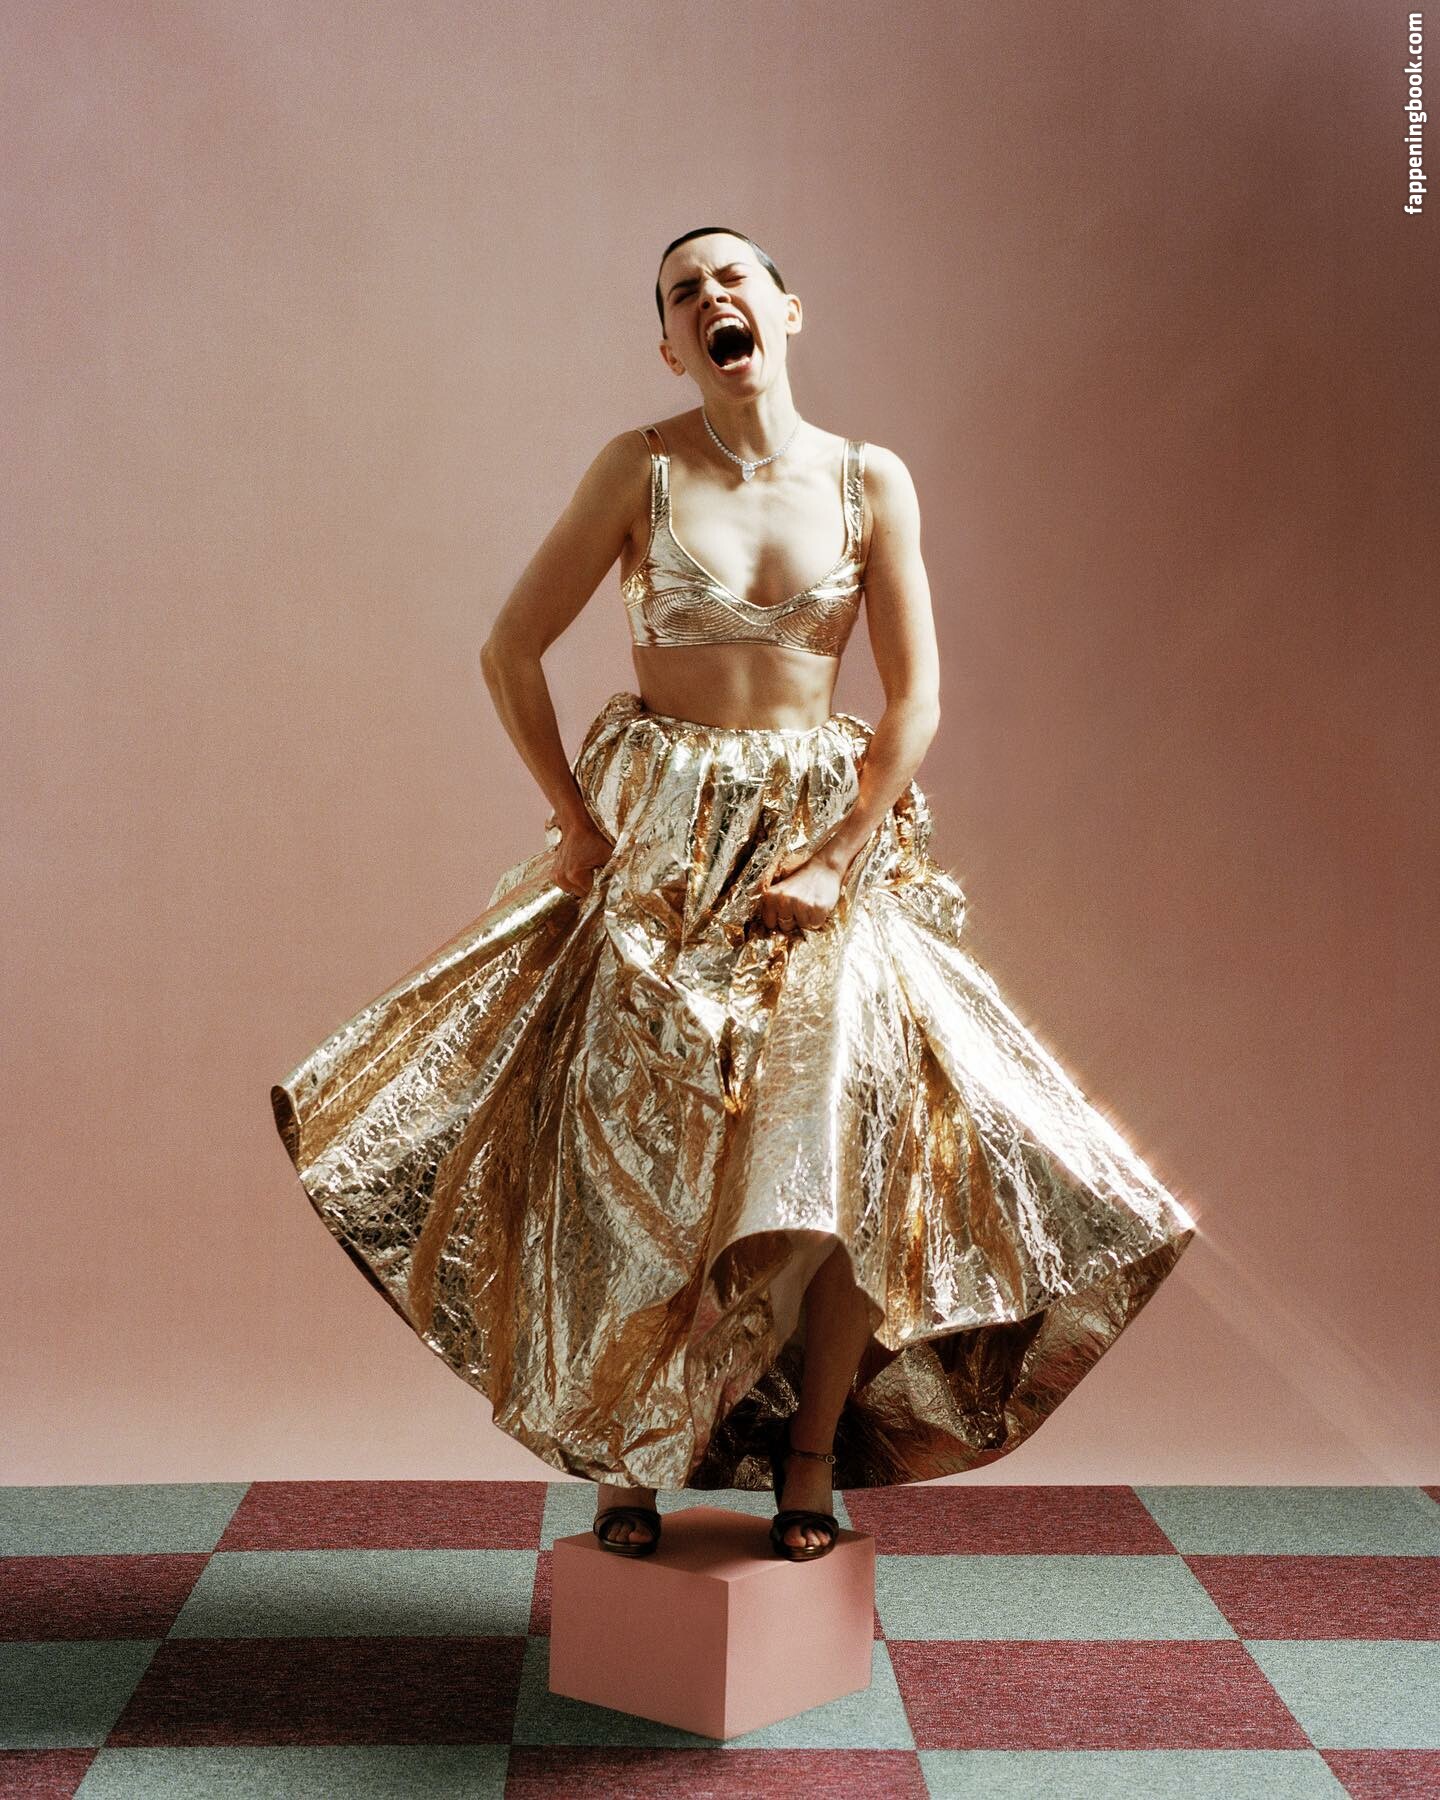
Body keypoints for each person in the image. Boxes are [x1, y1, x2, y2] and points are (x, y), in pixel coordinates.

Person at [271, 226, 1198, 1566]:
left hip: (823, 845)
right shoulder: (638, 469)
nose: (712, 295)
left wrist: (839, 853)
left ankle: (808, 1459)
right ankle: (629, 1455)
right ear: (670, 346)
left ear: (786, 309)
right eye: (684, 291)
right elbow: (509, 649)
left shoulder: (871, 480)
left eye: (733, 277)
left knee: (846, 1156)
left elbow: (918, 697)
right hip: (663, 851)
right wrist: (574, 820)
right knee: (635, 1160)